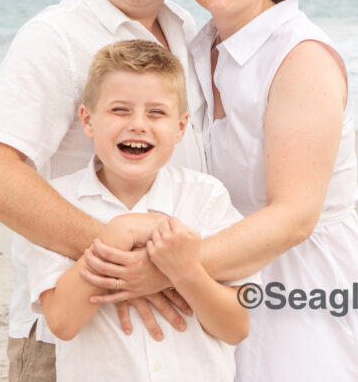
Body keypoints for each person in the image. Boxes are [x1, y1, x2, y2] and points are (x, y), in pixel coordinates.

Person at [82, 0, 358, 380]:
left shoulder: (300, 56)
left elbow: (295, 217)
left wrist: (169, 270)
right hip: (219, 289)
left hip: (301, 284)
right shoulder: (191, 45)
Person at [0, 0, 208, 381]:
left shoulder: (186, 32)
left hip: (175, 337)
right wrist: (123, 265)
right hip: (72, 338)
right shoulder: (55, 37)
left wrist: (175, 271)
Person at [25, 40, 255, 381]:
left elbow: (236, 327)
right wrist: (121, 232)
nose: (138, 125)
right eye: (120, 110)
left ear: (180, 128)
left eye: (156, 112)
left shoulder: (205, 198)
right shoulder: (58, 202)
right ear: (88, 120)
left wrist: (185, 271)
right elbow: (62, 321)